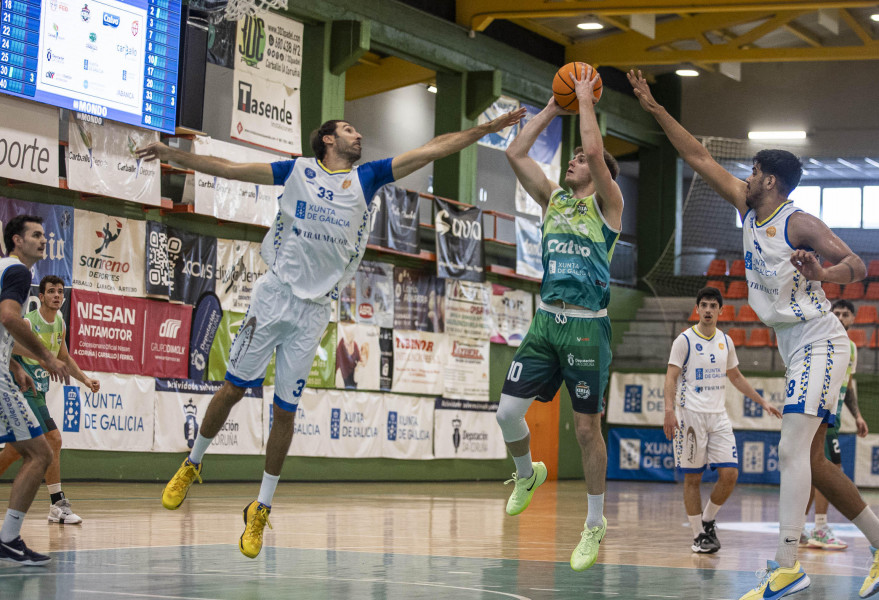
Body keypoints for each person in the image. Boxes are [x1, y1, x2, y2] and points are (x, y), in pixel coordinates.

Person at [137, 107, 526, 559]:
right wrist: (170, 153)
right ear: (326, 140)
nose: (358, 134)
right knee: (232, 390)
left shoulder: (367, 179)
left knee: (285, 412)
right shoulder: (297, 170)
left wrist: (484, 130)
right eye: (348, 129)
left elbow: (428, 151)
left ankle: (260, 507)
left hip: (314, 311)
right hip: (273, 295)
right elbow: (229, 169)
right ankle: (192, 464)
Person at [628, 69, 879, 599]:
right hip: (794, 347)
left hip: (821, 339)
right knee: (813, 463)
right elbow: (699, 158)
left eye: (752, 172)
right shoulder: (747, 208)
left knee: (792, 451)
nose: (744, 177)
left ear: (768, 181)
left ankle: (786, 565)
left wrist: (821, 274)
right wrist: (656, 109)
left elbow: (858, 267)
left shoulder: (798, 223)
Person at [497, 65, 623, 572]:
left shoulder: (609, 207)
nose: (573, 162)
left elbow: (595, 151)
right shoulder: (553, 200)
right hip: (545, 321)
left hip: (588, 327)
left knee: (587, 431)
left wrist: (586, 97)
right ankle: (527, 473)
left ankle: (594, 523)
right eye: (569, 158)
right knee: (507, 414)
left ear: (597, 173)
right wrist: (556, 103)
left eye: (578, 159)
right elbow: (514, 153)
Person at [664, 286, 781, 554]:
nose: (707, 310)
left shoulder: (725, 341)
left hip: (718, 417)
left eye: (712, 306)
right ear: (697, 309)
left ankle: (708, 520)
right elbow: (670, 376)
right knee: (692, 478)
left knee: (730, 475)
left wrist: (762, 401)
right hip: (690, 417)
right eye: (703, 305)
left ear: (720, 310)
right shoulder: (684, 340)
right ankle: (697, 536)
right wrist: (669, 410)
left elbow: (736, 376)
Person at [0, 275, 100, 525]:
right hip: (22, 388)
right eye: (51, 291)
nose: (57, 295)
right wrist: (41, 357)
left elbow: (64, 356)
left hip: (39, 392)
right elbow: (8, 346)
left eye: (60, 292)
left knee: (14, 451)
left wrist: (85, 379)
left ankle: (57, 506)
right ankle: (58, 504)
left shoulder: (60, 324)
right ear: (41, 296)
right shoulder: (28, 322)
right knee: (53, 439)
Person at [0, 215, 70, 565]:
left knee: (35, 448)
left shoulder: (5, 271)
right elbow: (9, 319)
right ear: (17, 239)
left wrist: (14, 366)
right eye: (36, 235)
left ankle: (9, 539)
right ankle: (8, 538)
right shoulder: (17, 272)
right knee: (40, 453)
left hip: (4, 371)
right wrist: (45, 356)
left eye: (45, 234)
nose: (44, 240)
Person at [800, 299, 869, 550]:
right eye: (836, 313)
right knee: (829, 469)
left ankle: (799, 529)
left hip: (836, 414)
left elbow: (847, 385)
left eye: (845, 314)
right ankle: (819, 528)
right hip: (822, 413)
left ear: (852, 319)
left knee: (814, 470)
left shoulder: (851, 348)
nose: (840, 317)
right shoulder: (823, 341)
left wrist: (858, 415)